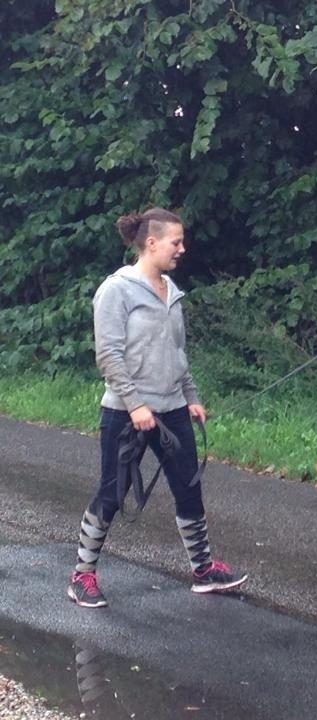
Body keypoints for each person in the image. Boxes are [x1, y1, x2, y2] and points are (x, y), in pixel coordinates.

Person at [67, 207, 247, 608]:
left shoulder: (171, 290)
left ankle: (203, 571)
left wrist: (192, 398)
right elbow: (108, 356)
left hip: (171, 411)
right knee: (111, 494)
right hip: (125, 413)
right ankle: (82, 575)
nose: (182, 249)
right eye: (176, 241)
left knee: (188, 488)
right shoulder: (117, 290)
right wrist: (134, 405)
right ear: (151, 243)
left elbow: (176, 354)